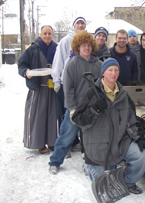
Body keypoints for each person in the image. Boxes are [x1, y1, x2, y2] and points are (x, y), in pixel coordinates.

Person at [72, 58, 145, 194]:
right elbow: (77, 119)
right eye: (110, 70)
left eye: (116, 70)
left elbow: (132, 120)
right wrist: (94, 110)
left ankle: (127, 182)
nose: (113, 73)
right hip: (97, 145)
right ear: (103, 73)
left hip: (119, 142)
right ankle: (89, 166)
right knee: (104, 189)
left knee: (142, 155)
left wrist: (139, 138)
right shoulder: (91, 93)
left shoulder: (123, 95)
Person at [49, 30, 102, 174]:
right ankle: (55, 162)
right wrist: (72, 109)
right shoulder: (72, 65)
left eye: (89, 45)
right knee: (66, 136)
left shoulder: (98, 65)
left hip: (91, 109)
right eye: (83, 45)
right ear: (77, 47)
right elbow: (68, 88)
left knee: (90, 138)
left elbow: (101, 87)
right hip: (76, 109)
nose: (86, 48)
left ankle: (89, 162)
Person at [17, 25, 57, 154]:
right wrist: (26, 72)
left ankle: (52, 142)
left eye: (49, 33)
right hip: (38, 89)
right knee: (38, 116)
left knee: (52, 116)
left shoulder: (56, 48)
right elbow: (21, 64)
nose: (47, 36)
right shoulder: (33, 49)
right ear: (40, 35)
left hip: (52, 88)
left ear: (53, 35)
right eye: (44, 33)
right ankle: (39, 143)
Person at [51, 16, 86, 129]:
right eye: (78, 23)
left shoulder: (86, 41)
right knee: (64, 114)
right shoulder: (66, 41)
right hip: (65, 83)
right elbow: (59, 60)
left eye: (82, 23)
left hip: (80, 84)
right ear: (74, 26)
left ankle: (75, 141)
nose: (80, 25)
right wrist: (56, 80)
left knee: (77, 114)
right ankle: (64, 143)